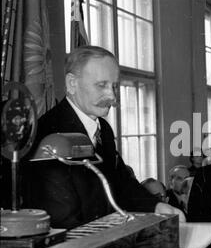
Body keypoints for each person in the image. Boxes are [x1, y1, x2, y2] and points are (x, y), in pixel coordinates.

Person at [24, 46, 184, 229]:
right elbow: (61, 216)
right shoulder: (48, 133)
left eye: (114, 86)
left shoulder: (103, 129)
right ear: (71, 84)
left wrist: (156, 205)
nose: (112, 95)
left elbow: (120, 181)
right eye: (101, 85)